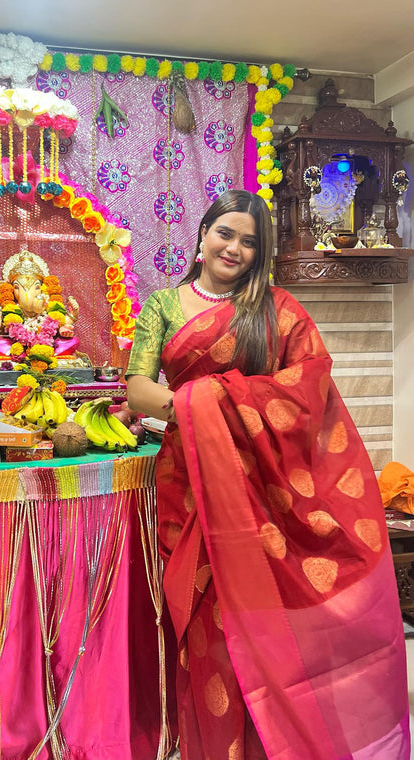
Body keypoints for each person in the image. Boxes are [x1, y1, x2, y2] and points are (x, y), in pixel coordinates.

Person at [126, 190, 409, 760]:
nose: (234, 248)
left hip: (267, 489)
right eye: (225, 233)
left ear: (261, 253)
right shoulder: (162, 305)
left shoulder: (278, 309)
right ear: (202, 234)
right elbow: (136, 391)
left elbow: (311, 391)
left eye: (249, 242)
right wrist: (206, 407)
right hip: (192, 484)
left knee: (267, 619)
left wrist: (208, 404)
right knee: (211, 623)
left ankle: (277, 740)